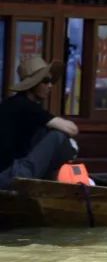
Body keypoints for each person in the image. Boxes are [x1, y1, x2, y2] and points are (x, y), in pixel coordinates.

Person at [0, 56, 79, 189]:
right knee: (57, 136)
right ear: (33, 84)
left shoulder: (14, 104)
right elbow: (72, 129)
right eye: (45, 81)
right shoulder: (26, 106)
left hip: (10, 172)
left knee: (46, 133)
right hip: (9, 176)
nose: (50, 86)